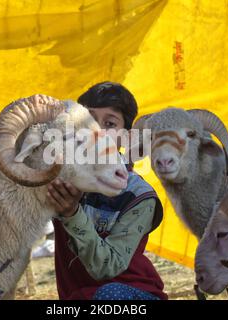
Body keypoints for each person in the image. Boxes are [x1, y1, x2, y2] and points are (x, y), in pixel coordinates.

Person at [47, 81, 167, 300]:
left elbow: (106, 268)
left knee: (109, 295)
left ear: (127, 137)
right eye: (89, 121)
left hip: (128, 296)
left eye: (109, 124)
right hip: (78, 299)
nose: (97, 131)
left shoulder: (139, 196)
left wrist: (72, 213)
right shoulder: (61, 177)